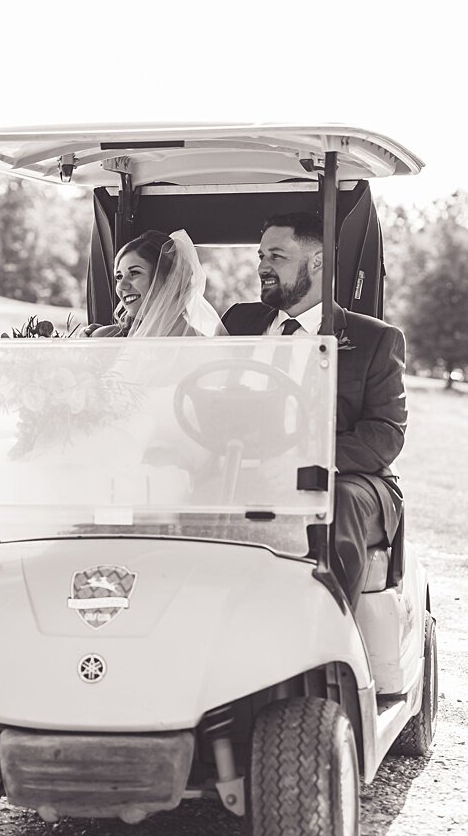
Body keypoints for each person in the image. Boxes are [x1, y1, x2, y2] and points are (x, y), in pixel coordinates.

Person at [221, 212, 406, 611]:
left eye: (276, 256)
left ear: (318, 261)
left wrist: (304, 461)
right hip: (248, 465)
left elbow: (385, 435)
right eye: (260, 255)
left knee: (336, 500)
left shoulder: (375, 339)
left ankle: (325, 634)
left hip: (346, 478)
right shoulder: (238, 321)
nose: (262, 267)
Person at [85, 229, 228, 338]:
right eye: (119, 276)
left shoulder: (201, 348)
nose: (122, 286)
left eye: (134, 273)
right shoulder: (108, 338)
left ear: (170, 279)